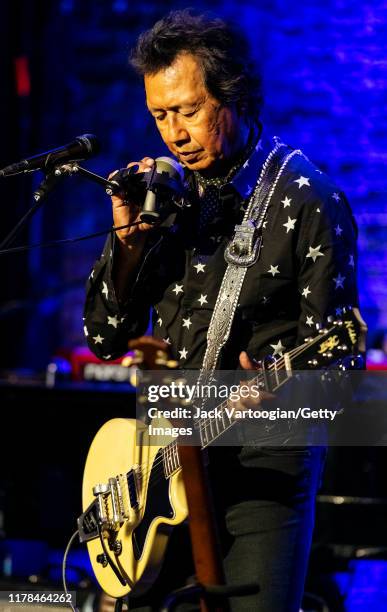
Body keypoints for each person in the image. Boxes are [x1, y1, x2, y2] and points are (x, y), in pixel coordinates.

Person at [83, 10, 360, 611]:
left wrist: (281, 398)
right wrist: (127, 247)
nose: (174, 134)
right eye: (160, 115)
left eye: (188, 111)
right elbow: (106, 338)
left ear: (232, 94)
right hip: (159, 466)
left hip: (261, 474)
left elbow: (338, 378)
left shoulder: (309, 199)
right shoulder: (165, 196)